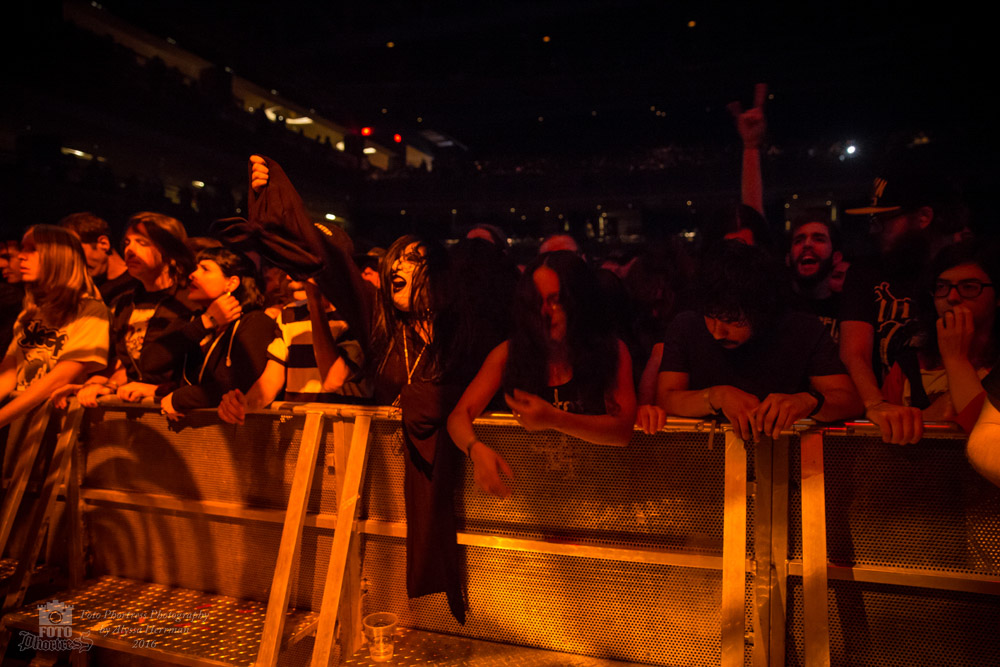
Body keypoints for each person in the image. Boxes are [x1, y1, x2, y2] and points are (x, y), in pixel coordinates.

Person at [448, 250, 637, 498]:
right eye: (536, 302)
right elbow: (458, 416)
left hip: (599, 496)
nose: (545, 312)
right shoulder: (508, 353)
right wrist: (475, 449)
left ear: (579, 301)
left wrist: (554, 419)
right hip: (532, 499)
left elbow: (622, 431)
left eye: (556, 300)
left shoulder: (611, 350)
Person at [645, 241, 861, 440]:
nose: (718, 332)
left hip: (789, 457)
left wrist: (807, 401)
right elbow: (666, 399)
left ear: (760, 310)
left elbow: (850, 401)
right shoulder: (687, 326)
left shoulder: (802, 328)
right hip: (706, 459)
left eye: (731, 320)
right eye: (710, 316)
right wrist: (716, 396)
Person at [839, 146, 968, 444]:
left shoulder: (966, 271)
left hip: (964, 423)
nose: (875, 230)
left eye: (885, 220)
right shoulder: (866, 271)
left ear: (923, 217)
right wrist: (877, 405)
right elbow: (853, 352)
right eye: (874, 220)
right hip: (889, 427)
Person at [68, 212, 196, 407]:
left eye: (142, 243)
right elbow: (127, 367)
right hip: (137, 414)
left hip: (182, 414)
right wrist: (104, 385)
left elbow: (203, 371)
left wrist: (160, 390)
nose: (130, 250)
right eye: (127, 242)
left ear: (170, 250)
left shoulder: (190, 301)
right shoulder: (123, 304)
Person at [880, 241, 1000, 433]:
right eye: (942, 287)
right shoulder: (909, 366)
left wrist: (956, 360)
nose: (952, 297)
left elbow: (990, 439)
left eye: (969, 287)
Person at [0, 225, 109, 428]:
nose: (21, 257)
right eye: (23, 249)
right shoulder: (29, 313)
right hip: (21, 422)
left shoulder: (92, 312)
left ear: (59, 256)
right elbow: (7, 376)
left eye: (32, 249)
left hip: (58, 426)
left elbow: (58, 379)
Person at [160, 246, 284, 418]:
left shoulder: (256, 322)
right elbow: (152, 361)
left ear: (231, 283)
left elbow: (237, 383)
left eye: (205, 269)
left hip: (238, 438)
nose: (192, 275)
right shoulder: (195, 320)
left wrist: (179, 398)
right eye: (195, 268)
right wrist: (206, 322)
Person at [786, 212, 844, 342]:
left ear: (836, 258)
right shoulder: (776, 309)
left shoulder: (849, 309)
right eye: (798, 240)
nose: (807, 244)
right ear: (788, 259)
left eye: (819, 239)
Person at [59, 212, 138, 306]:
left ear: (103, 244)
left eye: (76, 251)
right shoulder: (87, 293)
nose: (74, 261)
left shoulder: (139, 282)